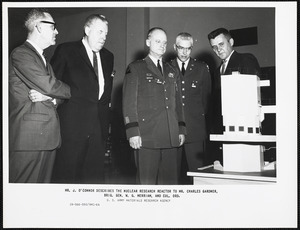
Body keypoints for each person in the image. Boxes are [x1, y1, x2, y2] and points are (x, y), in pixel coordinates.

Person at [50, 14, 114, 184]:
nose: (104, 37)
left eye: (106, 34)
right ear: (87, 30)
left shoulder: (108, 56)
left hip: (98, 128)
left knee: (94, 177)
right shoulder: (66, 50)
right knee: (67, 176)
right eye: (100, 32)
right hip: (72, 128)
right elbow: (52, 83)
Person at [9, 8, 71, 183]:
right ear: (38, 27)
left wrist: (50, 97)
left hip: (46, 139)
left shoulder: (44, 59)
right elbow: (49, 84)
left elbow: (51, 92)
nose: (57, 31)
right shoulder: (21, 54)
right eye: (53, 26)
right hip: (29, 141)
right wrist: (67, 89)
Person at [122, 27, 186, 185]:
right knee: (147, 184)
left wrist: (181, 129)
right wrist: (132, 132)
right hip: (147, 137)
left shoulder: (172, 70)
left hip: (171, 136)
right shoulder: (136, 68)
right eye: (158, 41)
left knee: (170, 185)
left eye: (165, 42)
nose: (162, 45)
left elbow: (178, 103)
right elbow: (129, 102)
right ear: (148, 42)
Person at [207, 27, 261, 163]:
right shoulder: (217, 70)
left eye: (221, 44)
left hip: (244, 128)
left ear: (231, 41)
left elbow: (251, 97)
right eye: (214, 47)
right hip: (225, 129)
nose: (218, 50)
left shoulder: (246, 59)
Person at [170, 32, 211, 178]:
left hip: (195, 129)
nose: (184, 52)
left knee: (198, 173)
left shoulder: (201, 68)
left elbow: (206, 99)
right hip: (172, 129)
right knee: (171, 174)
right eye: (181, 48)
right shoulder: (166, 67)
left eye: (188, 48)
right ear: (175, 47)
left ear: (192, 48)